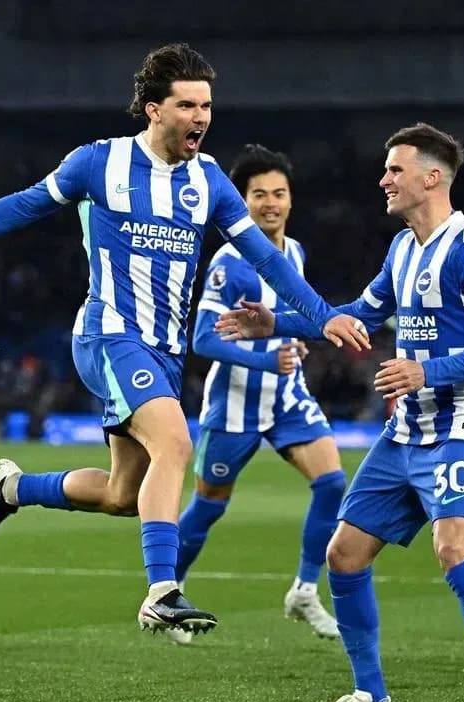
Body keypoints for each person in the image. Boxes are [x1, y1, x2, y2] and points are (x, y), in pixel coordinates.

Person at [0, 43, 368, 637]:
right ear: (153, 109)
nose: (200, 117)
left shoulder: (211, 182)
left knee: (125, 495)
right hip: (110, 335)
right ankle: (162, 592)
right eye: (186, 105)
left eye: (206, 105)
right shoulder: (98, 163)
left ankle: (15, 489)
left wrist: (322, 314)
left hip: (163, 351)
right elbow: (24, 206)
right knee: (176, 444)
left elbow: (269, 263)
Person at [216, 124, 464, 702]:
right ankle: (370, 697)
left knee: (454, 550)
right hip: (407, 427)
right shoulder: (402, 249)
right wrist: (275, 322)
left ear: (431, 178)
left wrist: (425, 370)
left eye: (395, 170)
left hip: (462, 425)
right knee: (343, 555)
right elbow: (359, 315)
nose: (383, 180)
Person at [168, 145, 345, 646]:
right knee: (208, 508)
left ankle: (305, 591)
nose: (271, 203)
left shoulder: (295, 253)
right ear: (242, 201)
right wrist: (268, 357)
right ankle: (169, 590)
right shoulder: (229, 261)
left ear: (291, 199)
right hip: (235, 406)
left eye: (280, 193)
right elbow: (202, 339)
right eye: (260, 194)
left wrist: (302, 345)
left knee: (332, 483)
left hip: (287, 399)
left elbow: (292, 321)